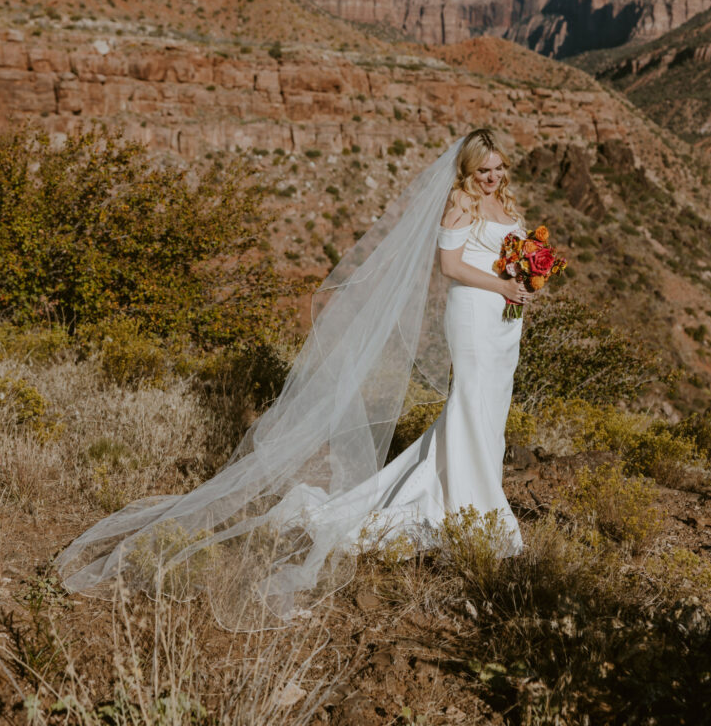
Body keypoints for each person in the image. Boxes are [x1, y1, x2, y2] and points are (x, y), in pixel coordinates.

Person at [56, 127, 530, 630]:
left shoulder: (504, 201)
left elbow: (509, 251)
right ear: (467, 170)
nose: (493, 178)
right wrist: (501, 284)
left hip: (505, 319)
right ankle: (483, 509)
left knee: (490, 410)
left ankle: (467, 491)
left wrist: (523, 281)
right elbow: (451, 265)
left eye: (499, 169)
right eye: (484, 171)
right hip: (475, 316)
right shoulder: (459, 203)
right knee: (470, 404)